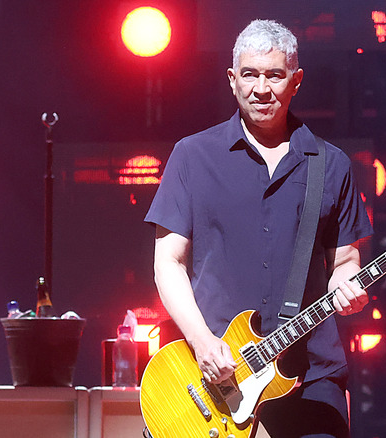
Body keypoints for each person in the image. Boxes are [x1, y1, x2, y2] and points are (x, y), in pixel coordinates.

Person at [145, 19, 373, 438]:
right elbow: (168, 264)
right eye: (250, 74)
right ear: (232, 80)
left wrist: (348, 285)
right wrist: (201, 341)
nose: (261, 88)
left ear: (296, 80)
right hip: (217, 376)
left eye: (275, 75)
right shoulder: (193, 156)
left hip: (310, 376)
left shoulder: (330, 163)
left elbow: (345, 260)